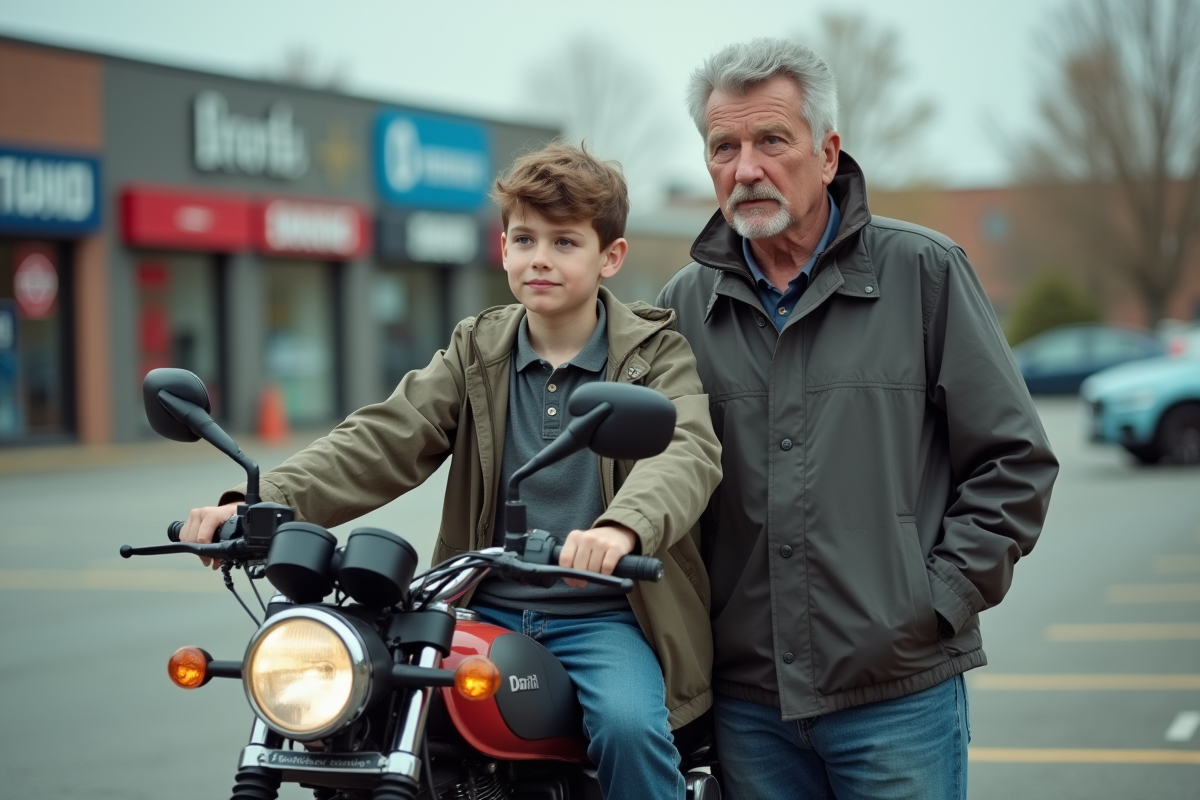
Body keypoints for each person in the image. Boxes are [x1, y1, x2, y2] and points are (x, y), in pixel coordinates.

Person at [181, 143, 722, 800]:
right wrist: (260, 504)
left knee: (630, 727)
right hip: (480, 605)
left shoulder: (654, 353)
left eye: (565, 241)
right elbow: (383, 437)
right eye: (524, 238)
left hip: (604, 616)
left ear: (611, 257)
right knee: (366, 708)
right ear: (501, 248)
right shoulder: (478, 349)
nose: (540, 257)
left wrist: (622, 529)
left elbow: (685, 450)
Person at [655, 38, 1059, 800]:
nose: (746, 169)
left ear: (828, 151)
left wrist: (932, 602)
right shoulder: (683, 307)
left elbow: (1015, 461)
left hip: (898, 698)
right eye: (724, 147)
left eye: (772, 140)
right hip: (749, 712)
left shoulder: (924, 272)